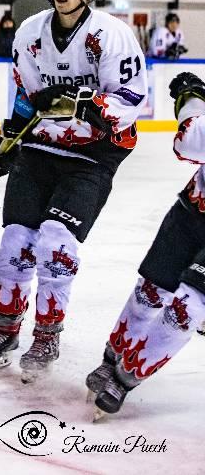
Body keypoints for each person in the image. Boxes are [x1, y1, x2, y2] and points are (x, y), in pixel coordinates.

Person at [0, 0, 148, 383]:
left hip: (92, 156)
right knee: (15, 242)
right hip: (40, 150)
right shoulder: (30, 33)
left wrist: (87, 105)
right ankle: (5, 331)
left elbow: (133, 99)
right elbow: (23, 94)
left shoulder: (112, 34)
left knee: (55, 242)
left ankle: (47, 334)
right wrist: (9, 138)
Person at [85, 72, 205, 417]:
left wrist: (192, 98)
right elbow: (190, 143)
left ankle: (126, 377)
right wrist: (193, 96)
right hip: (192, 211)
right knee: (150, 291)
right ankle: (113, 357)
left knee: (189, 308)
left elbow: (192, 137)